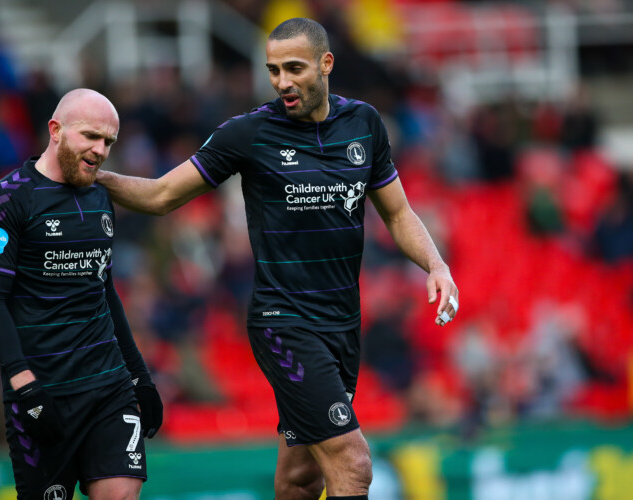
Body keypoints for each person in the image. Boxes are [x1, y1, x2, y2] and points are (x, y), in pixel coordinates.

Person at [99, 18, 459, 500]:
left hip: (342, 327)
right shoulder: (249, 133)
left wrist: (436, 265)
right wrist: (94, 177)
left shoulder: (364, 124)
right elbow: (161, 194)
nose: (282, 81)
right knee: (353, 463)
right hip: (284, 323)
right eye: (273, 70)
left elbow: (397, 212)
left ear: (326, 64)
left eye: (294, 68)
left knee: (300, 478)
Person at [0, 88, 163, 500]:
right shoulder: (6, 199)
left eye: (109, 141)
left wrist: (139, 375)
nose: (101, 150)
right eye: (91, 136)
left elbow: (105, 292)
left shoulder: (101, 197)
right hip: (43, 391)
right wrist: (25, 385)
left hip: (108, 386)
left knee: (122, 494)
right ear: (55, 130)